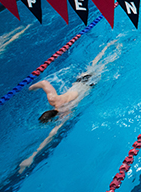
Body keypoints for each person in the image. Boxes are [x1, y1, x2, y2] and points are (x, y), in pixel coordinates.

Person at [20, 41, 119, 172]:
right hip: (80, 80)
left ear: (54, 119)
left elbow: (53, 133)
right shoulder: (54, 100)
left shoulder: (66, 112)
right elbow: (44, 83)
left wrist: (32, 156)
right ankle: (108, 46)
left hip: (89, 86)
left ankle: (117, 51)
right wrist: (32, 87)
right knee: (95, 64)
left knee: (106, 65)